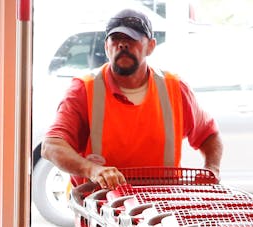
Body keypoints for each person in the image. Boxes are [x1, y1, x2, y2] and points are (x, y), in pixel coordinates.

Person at [42, 7, 223, 192]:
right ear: (106, 47)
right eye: (115, 39)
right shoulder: (84, 89)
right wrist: (92, 170)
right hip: (102, 210)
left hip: (160, 209)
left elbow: (209, 135)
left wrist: (211, 170)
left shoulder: (175, 89)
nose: (122, 45)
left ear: (151, 46)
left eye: (132, 39)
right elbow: (51, 146)